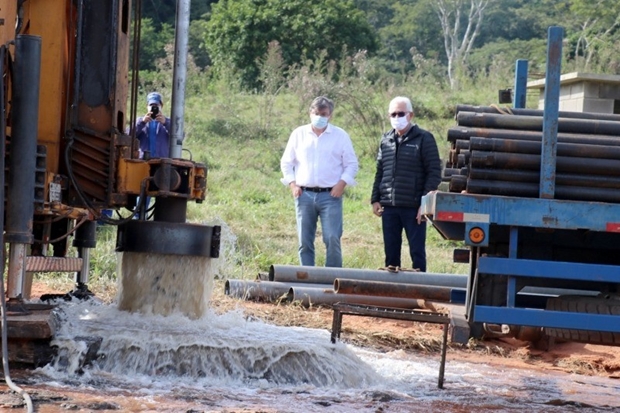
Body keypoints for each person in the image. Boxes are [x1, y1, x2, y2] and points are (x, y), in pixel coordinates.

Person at [280, 96, 359, 267]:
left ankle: (332, 278)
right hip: (304, 194)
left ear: (330, 115)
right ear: (310, 113)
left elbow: (352, 164)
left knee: (332, 237)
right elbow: (286, 162)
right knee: (304, 240)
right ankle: (307, 277)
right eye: (316, 113)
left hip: (330, 195)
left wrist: (341, 184)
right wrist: (292, 184)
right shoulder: (298, 134)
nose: (320, 117)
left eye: (324, 114)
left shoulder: (340, 136)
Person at [371, 96, 442, 272]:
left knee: (417, 252)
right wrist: (375, 199)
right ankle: (393, 292)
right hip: (389, 207)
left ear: (410, 115)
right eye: (393, 114)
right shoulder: (385, 140)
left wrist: (424, 205)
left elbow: (434, 172)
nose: (396, 117)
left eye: (400, 113)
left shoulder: (424, 139)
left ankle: (420, 290)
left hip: (414, 207)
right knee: (391, 254)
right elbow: (380, 171)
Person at [134, 92, 171, 159]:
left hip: (162, 163)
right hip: (143, 161)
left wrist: (166, 123)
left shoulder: (168, 122)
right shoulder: (140, 121)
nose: (154, 108)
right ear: (147, 106)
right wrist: (142, 122)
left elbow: (180, 136)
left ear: (161, 106)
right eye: (151, 105)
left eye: (156, 105)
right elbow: (128, 134)